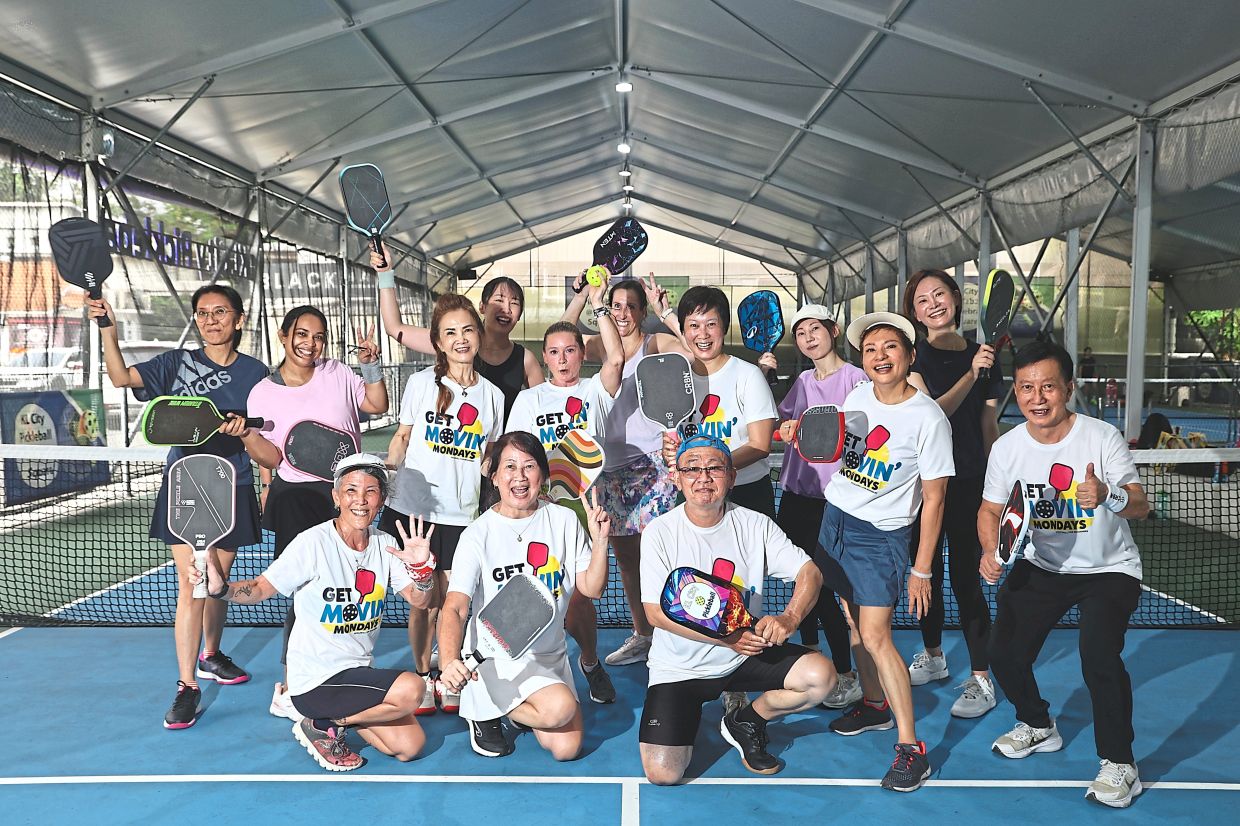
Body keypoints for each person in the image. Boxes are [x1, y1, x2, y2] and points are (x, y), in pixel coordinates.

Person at [979, 340, 1149, 809]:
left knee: (1098, 656)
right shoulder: (1008, 448)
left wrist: (1108, 495)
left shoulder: (1101, 438)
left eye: (1048, 386)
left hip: (1108, 569)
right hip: (1042, 565)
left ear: (1068, 388)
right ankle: (1037, 724)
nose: (1037, 397)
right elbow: (990, 510)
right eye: (1027, 387)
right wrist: (990, 550)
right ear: (1017, 392)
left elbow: (1140, 504)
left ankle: (1120, 764)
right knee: (1003, 650)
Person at [90, 286, 268, 730]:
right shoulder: (176, 363)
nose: (211, 320)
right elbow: (119, 377)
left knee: (219, 582)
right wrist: (107, 326)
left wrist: (247, 437)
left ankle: (211, 655)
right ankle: (187, 685)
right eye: (203, 313)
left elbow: (267, 431)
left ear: (239, 320)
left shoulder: (258, 373)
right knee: (191, 586)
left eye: (221, 312)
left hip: (235, 482)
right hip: (186, 486)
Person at [196, 454, 436, 772]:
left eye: (371, 491)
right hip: (315, 681)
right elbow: (259, 589)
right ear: (336, 497)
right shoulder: (312, 543)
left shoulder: (385, 545)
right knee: (413, 688)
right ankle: (325, 721)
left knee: (410, 747)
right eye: (351, 490)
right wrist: (220, 589)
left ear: (381, 499)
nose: (360, 501)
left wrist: (422, 574)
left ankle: (330, 722)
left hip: (355, 676)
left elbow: (420, 602)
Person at [637, 434, 835, 783]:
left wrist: (790, 617)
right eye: (692, 468)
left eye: (714, 468)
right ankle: (687, 713)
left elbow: (810, 573)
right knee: (663, 774)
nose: (703, 477)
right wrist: (728, 638)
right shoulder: (659, 532)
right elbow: (655, 614)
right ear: (677, 477)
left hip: (744, 655)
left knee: (821, 679)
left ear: (731, 477)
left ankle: (747, 720)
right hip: (680, 669)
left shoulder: (755, 525)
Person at [815, 311, 954, 792]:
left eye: (890, 347)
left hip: (881, 536)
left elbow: (935, 498)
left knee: (876, 635)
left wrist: (922, 570)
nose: (879, 356)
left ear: (910, 355)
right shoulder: (857, 396)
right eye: (871, 349)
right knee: (853, 620)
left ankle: (911, 747)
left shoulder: (928, 417)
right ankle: (874, 704)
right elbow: (848, 455)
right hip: (835, 520)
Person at [242, 305, 389, 721]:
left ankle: (345, 669)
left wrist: (371, 365)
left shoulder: (338, 374)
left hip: (347, 494)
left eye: (318, 336)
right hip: (294, 498)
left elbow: (376, 403)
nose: (310, 343)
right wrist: (248, 434)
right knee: (303, 592)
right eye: (301, 334)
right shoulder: (262, 393)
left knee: (349, 585)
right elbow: (271, 457)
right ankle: (292, 685)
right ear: (284, 337)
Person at [438, 431, 611, 759]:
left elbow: (591, 588)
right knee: (559, 709)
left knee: (566, 748)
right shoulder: (478, 534)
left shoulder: (563, 520)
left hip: (549, 654)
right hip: (495, 657)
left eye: (529, 466)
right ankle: (482, 706)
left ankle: (504, 706)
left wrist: (600, 543)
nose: (519, 476)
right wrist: (448, 662)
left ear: (543, 476)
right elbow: (456, 607)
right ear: (495, 477)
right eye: (510, 467)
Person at [383, 293, 504, 716]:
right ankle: (421, 674)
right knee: (424, 601)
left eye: (468, 329)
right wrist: (386, 472)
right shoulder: (421, 385)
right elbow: (402, 437)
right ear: (437, 341)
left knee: (456, 601)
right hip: (416, 513)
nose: (460, 339)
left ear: (479, 335)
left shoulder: (493, 396)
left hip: (462, 517)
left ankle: (446, 671)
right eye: (450, 332)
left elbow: (488, 457)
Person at [504, 277, 624, 705]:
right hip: (536, 509)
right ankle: (521, 672)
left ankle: (589, 661)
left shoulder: (595, 391)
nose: (562, 358)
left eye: (570, 350)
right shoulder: (530, 399)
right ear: (545, 357)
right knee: (530, 587)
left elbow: (617, 357)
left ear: (581, 354)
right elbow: (514, 455)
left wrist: (600, 303)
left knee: (580, 596)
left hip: (584, 510)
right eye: (553, 352)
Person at [559, 273, 688, 667]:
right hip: (606, 469)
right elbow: (563, 335)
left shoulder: (656, 344)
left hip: (652, 466)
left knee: (662, 554)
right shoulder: (599, 344)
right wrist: (583, 295)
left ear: (642, 311)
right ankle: (643, 634)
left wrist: (666, 311)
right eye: (617, 306)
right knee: (627, 561)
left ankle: (674, 634)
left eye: (632, 306)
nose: (624, 313)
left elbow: (694, 350)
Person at [900, 269, 1002, 718]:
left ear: (957, 299)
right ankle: (935, 655)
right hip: (924, 485)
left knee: (966, 580)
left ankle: (981, 677)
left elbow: (988, 424)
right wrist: (971, 373)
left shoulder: (986, 357)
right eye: (922, 300)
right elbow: (932, 415)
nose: (933, 304)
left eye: (939, 294)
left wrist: (998, 479)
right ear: (915, 312)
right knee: (926, 574)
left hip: (969, 485)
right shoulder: (913, 357)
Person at [763, 304, 868, 711]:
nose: (808, 337)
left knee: (829, 588)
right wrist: (782, 427)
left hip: (837, 500)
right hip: (794, 497)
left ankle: (845, 673)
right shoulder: (804, 380)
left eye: (815, 329)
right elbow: (777, 423)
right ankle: (808, 659)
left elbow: (864, 431)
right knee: (800, 582)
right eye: (801, 332)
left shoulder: (857, 378)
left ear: (833, 331)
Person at [370, 245, 541, 421]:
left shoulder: (525, 359)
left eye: (514, 303)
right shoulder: (457, 344)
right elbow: (395, 328)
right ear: (482, 307)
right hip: (456, 445)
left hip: (501, 447)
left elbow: (543, 410)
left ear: (520, 314)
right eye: (498, 300)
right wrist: (385, 274)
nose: (506, 309)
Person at [661, 286, 778, 517]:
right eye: (694, 325)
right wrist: (671, 450)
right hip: (693, 492)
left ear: (724, 328)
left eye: (711, 324)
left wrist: (710, 467)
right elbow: (672, 436)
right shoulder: (676, 380)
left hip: (746, 493)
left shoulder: (748, 375)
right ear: (683, 331)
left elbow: (761, 445)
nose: (702, 334)